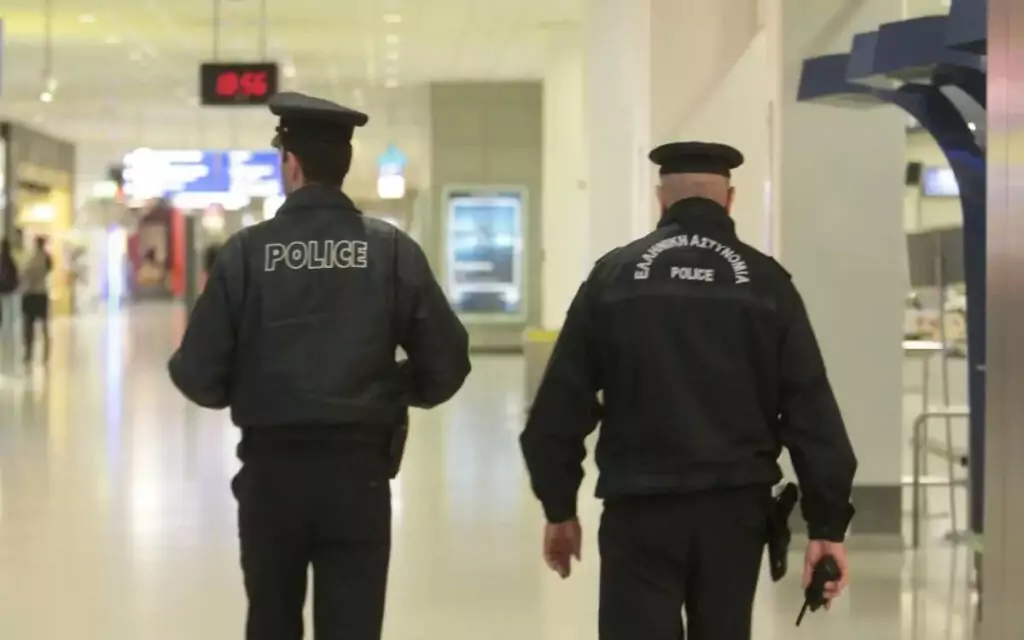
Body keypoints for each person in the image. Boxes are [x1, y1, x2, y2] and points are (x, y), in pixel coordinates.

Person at [519, 142, 858, 640]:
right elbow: (811, 409)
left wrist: (559, 508)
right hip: (735, 514)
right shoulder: (767, 284)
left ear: (661, 198)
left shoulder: (614, 277)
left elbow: (559, 407)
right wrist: (826, 526)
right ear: (730, 199)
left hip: (640, 509)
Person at [168, 91, 472, 640]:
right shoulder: (391, 251)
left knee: (271, 622)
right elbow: (447, 363)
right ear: (344, 165)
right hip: (359, 474)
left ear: (291, 164)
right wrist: (391, 388)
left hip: (271, 473)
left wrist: (253, 385)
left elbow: (198, 375)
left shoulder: (245, 254)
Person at [20, 235, 53, 364]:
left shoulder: (29, 258)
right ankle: (46, 353)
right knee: (44, 325)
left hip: (29, 294)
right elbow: (48, 271)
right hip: (41, 293)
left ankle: (28, 352)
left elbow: (23, 274)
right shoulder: (47, 258)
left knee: (28, 325)